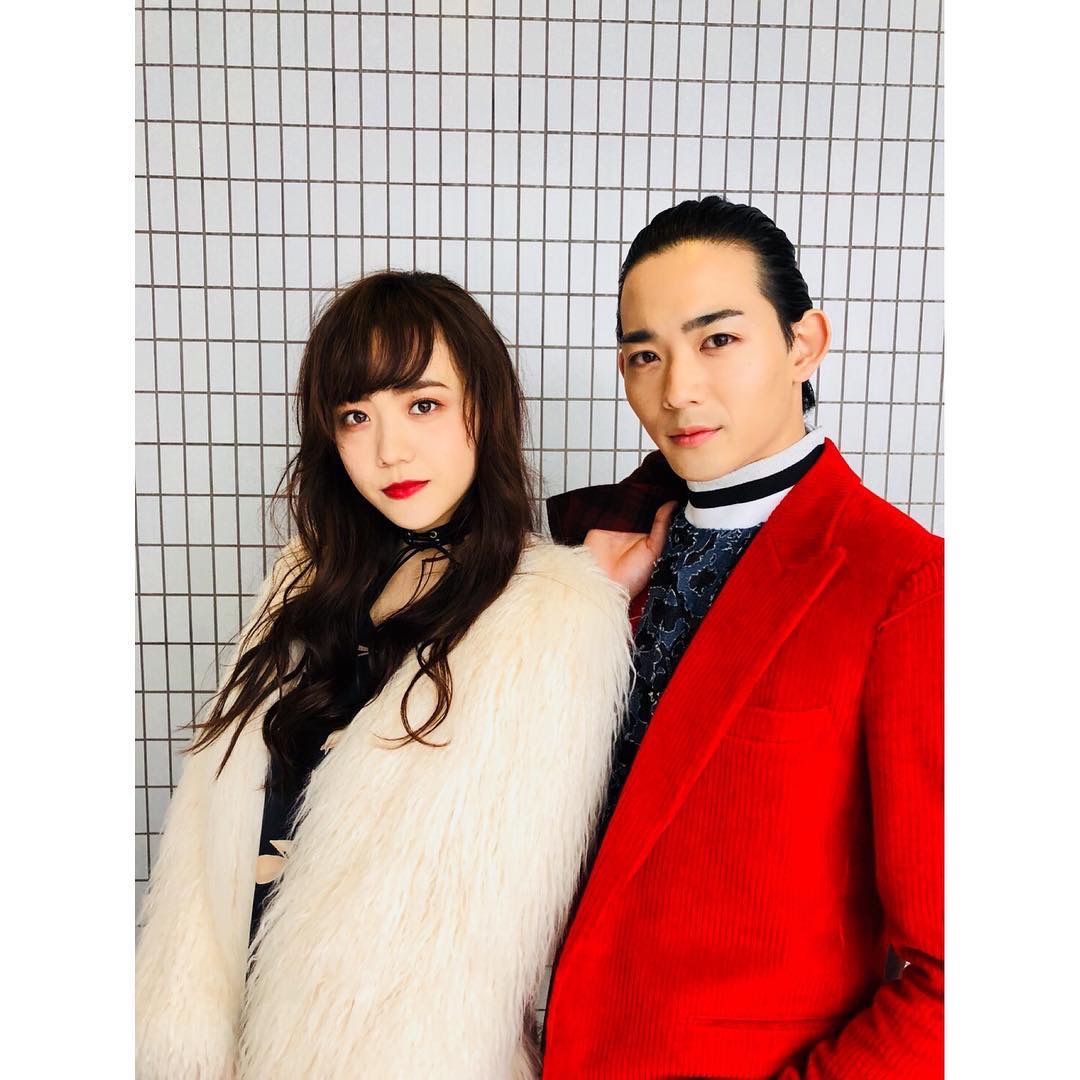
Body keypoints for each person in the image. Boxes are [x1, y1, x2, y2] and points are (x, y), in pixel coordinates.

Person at [134, 270, 637, 1079]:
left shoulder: (550, 615)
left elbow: (487, 915)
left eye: (423, 405)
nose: (389, 449)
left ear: (486, 405)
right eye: (355, 416)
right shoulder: (305, 581)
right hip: (232, 1039)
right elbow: (206, 835)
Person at [542, 197, 944, 1078]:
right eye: (645, 354)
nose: (677, 389)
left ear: (804, 343)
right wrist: (569, 609)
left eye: (717, 339)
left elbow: (955, 979)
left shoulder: (905, 583)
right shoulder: (589, 552)